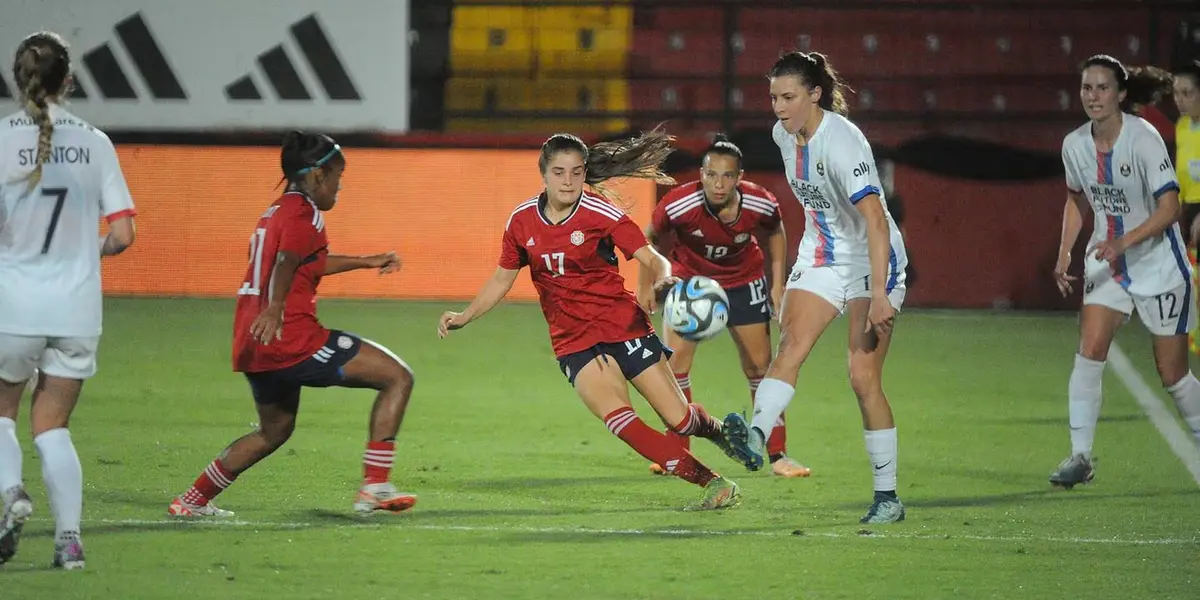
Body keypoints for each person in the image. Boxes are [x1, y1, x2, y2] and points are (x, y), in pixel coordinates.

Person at [437, 129, 742, 511]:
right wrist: (465, 316)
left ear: (585, 174)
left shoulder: (601, 213)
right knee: (620, 421)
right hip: (573, 341)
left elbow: (651, 256)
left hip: (623, 326)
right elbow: (502, 278)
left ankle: (718, 430)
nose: (568, 181)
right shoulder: (521, 223)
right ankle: (713, 483)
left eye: (576, 172)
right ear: (544, 174)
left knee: (680, 421)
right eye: (559, 172)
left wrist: (664, 277)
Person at [168, 131, 418, 517]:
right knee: (397, 377)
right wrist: (277, 306)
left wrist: (365, 260)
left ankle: (192, 500)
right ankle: (375, 485)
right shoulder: (305, 213)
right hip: (291, 337)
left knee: (273, 431)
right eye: (337, 176)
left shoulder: (277, 211)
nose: (340, 185)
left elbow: (307, 261)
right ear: (317, 175)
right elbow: (286, 261)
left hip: (254, 342)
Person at [719, 51, 910, 524]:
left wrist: (882, 293)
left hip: (873, 259)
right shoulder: (782, 135)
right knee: (789, 349)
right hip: (822, 256)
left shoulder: (843, 143)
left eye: (789, 97)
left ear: (815, 94)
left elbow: (877, 223)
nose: (778, 107)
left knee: (862, 378)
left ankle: (887, 497)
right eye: (773, 98)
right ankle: (757, 437)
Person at [0, 31, 138, 570]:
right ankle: (69, 542)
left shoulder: (2, 138)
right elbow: (124, 235)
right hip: (79, 310)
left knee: (2, 414)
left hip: (15, 306)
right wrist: (87, 252)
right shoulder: (96, 142)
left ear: (19, 77)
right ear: (69, 79)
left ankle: (12, 494)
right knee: (53, 426)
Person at [1050, 55, 1200, 488]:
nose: (1092, 96)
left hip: (1158, 264)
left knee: (1173, 375)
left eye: (1101, 88)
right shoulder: (1074, 145)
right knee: (1090, 349)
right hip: (1108, 262)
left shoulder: (1144, 138)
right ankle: (1079, 456)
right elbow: (1076, 200)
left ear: (1120, 95)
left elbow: (1170, 209)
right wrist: (1063, 254)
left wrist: (1122, 242)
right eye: (1086, 88)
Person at [640, 134, 810, 478]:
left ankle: (778, 456)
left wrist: (778, 284)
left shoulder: (760, 203)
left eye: (727, 176)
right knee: (675, 369)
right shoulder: (678, 205)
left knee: (760, 368)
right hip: (690, 286)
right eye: (711, 175)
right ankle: (677, 453)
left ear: (740, 176)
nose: (719, 184)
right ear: (701, 174)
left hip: (744, 284)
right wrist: (647, 285)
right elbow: (648, 237)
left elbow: (776, 232)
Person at [1171, 61, 1200, 353]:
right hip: (1190, 212)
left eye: (1187, 92)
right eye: (1176, 93)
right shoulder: (1182, 128)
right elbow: (1182, 174)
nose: (1179, 99)